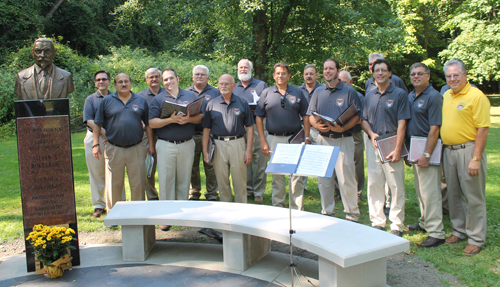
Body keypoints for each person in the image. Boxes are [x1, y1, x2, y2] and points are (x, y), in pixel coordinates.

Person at [441, 58, 490, 255]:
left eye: (456, 75)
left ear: (465, 75)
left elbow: (483, 129)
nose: (452, 79)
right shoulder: (446, 95)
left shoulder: (476, 96)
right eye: (449, 76)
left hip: (468, 150)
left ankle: (476, 238)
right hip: (449, 151)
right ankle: (459, 230)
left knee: (473, 195)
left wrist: (476, 158)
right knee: (453, 193)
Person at [149, 69, 203, 230]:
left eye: (171, 78)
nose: (168, 82)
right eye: (165, 80)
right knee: (166, 180)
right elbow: (152, 123)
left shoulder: (191, 96)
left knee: (184, 178)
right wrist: (170, 120)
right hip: (166, 144)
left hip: (187, 143)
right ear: (163, 82)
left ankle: (182, 214)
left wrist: (188, 119)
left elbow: (201, 116)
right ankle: (166, 216)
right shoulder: (158, 99)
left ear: (177, 78)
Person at [361, 59, 410, 236]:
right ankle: (377, 221)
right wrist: (371, 134)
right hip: (373, 142)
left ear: (390, 73)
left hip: (392, 142)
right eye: (377, 70)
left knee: (395, 184)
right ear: (373, 73)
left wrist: (398, 148)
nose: (380, 73)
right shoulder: (369, 95)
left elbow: (402, 122)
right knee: (374, 183)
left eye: (383, 70)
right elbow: (363, 120)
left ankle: (396, 223)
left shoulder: (399, 94)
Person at [307, 60, 361, 220]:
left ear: (337, 71)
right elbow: (310, 115)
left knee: (346, 179)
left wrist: (342, 128)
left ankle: (352, 214)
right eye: (325, 69)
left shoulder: (349, 91)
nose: (328, 71)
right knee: (324, 180)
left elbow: (357, 116)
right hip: (323, 140)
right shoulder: (318, 92)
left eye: (331, 68)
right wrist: (316, 125)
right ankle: (327, 213)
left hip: (343, 139)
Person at [92, 73, 153, 211]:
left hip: (136, 148)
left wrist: (151, 144)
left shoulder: (140, 100)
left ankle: (138, 213)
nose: (123, 84)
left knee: (137, 184)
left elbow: (148, 124)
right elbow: (97, 124)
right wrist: (95, 144)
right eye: (120, 82)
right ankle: (115, 214)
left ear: (131, 83)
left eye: (126, 81)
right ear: (114, 85)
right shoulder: (106, 101)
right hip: (114, 148)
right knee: (115, 183)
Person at [256, 62, 310, 210]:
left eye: (284, 73)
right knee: (277, 175)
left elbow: (305, 116)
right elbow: (259, 117)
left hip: (295, 139)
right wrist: (263, 140)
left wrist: (306, 137)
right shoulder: (266, 93)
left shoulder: (298, 93)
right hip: (274, 139)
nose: (280, 76)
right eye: (278, 73)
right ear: (274, 76)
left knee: (296, 175)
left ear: (289, 75)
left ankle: (297, 208)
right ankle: (278, 206)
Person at [405, 63, 445, 247]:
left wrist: (427, 154)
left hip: (428, 148)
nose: (416, 76)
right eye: (413, 74)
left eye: (420, 73)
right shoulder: (411, 96)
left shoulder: (434, 96)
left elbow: (435, 128)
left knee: (430, 192)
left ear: (428, 76)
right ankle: (424, 222)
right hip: (414, 148)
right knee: (421, 189)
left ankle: (437, 232)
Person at [202, 74, 254, 203]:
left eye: (226, 84)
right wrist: (205, 151)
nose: (223, 86)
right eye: (221, 83)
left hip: (238, 143)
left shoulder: (242, 103)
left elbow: (250, 128)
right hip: (218, 145)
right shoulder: (211, 104)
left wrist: (248, 151)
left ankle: (241, 210)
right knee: (222, 181)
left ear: (233, 86)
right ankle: (226, 211)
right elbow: (206, 130)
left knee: (239, 180)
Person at [233, 59, 269, 202]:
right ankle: (247, 189)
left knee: (259, 159)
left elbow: (267, 105)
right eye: (240, 67)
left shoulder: (261, 85)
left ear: (251, 70)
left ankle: (258, 191)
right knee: (244, 159)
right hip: (239, 128)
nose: (243, 69)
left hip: (257, 126)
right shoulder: (233, 87)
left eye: (245, 67)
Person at [186, 65, 220, 201]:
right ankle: (194, 192)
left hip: (209, 135)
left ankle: (212, 193)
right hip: (190, 134)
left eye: (202, 75)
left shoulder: (215, 92)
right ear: (193, 77)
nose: (199, 77)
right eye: (197, 74)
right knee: (192, 165)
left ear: (208, 77)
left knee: (210, 165)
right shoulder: (185, 93)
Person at [83, 70, 112, 217]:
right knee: (96, 173)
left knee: (113, 172)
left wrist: (111, 134)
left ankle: (114, 203)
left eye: (104, 79)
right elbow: (89, 120)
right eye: (98, 80)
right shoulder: (90, 99)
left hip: (113, 138)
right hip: (94, 139)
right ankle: (99, 205)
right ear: (95, 83)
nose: (101, 82)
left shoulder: (115, 97)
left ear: (109, 82)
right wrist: (104, 132)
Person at [137, 68, 164, 201]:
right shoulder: (140, 96)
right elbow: (135, 114)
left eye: (156, 76)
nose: (154, 79)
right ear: (146, 79)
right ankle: (152, 197)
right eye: (151, 77)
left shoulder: (168, 93)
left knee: (167, 168)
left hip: (166, 135)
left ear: (160, 78)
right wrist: (140, 121)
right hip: (146, 137)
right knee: (148, 168)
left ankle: (169, 197)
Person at [338, 70, 365, 202]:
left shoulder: (358, 96)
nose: (341, 84)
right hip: (338, 134)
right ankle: (339, 192)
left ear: (351, 82)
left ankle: (358, 193)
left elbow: (362, 117)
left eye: (344, 82)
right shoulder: (336, 95)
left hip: (355, 133)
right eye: (339, 82)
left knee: (356, 163)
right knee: (340, 163)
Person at [299, 64, 322, 143]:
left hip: (317, 129)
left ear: (316, 75)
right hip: (301, 128)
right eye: (306, 74)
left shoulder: (323, 90)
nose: (308, 76)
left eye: (311, 74)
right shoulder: (298, 91)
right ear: (303, 75)